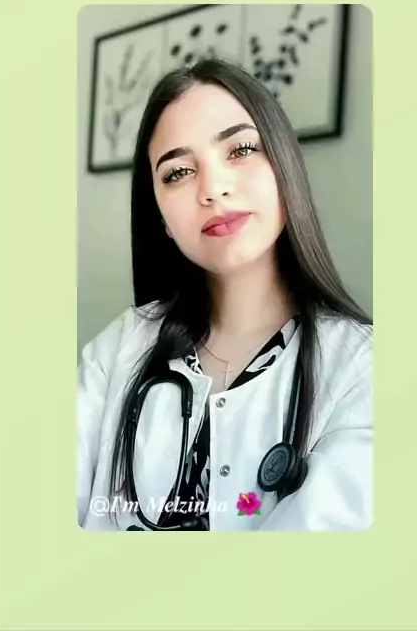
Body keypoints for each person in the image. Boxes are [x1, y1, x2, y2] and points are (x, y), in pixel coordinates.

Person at [77, 58, 372, 531]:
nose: (213, 189)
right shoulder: (114, 354)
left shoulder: (363, 369)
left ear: (285, 169)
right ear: (160, 217)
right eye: (178, 172)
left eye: (241, 149)